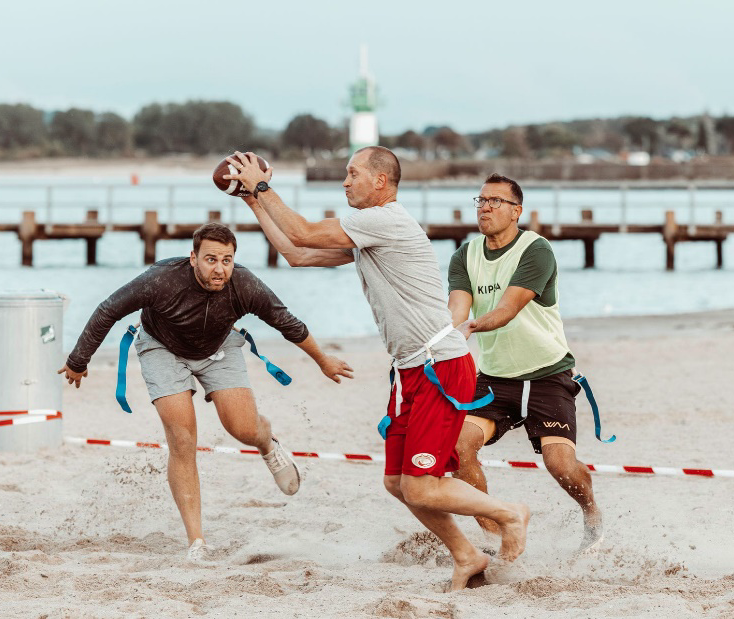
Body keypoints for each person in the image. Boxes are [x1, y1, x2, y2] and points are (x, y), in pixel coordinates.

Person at [225, 148, 530, 592]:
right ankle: (466, 555)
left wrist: (262, 186)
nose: (345, 182)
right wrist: (252, 200)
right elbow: (297, 253)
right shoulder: (369, 232)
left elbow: (305, 231)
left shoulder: (385, 221)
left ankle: (510, 513)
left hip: (440, 366)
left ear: (381, 182)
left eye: (353, 174)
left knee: (422, 486)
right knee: (397, 483)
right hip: (410, 371)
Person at [58, 223, 353, 560]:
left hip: (219, 347)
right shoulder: (161, 280)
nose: (219, 268)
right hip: (162, 348)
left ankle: (267, 444)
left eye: (227, 260)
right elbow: (107, 310)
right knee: (182, 439)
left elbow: (286, 322)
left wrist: (323, 360)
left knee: (242, 428)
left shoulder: (244, 285)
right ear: (193, 257)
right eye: (211, 259)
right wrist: (78, 360)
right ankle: (197, 542)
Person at [446, 173, 603, 553]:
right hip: (495, 380)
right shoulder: (464, 255)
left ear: (516, 210)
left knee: (560, 465)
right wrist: (442, 336)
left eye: (494, 201)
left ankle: (592, 515)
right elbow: (456, 310)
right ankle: (494, 534)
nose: (485, 207)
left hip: (548, 375)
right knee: (458, 446)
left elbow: (507, 309)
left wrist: (469, 328)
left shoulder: (536, 250)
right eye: (480, 200)